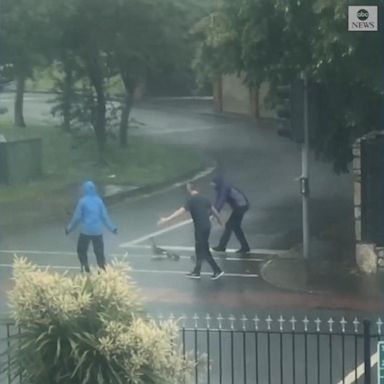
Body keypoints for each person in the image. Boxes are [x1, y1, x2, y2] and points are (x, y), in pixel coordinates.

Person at [158, 182, 224, 280]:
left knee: (204, 250)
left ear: (189, 188)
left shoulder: (191, 200)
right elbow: (214, 210)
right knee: (199, 249)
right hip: (206, 227)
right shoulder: (204, 199)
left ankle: (217, 270)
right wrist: (219, 220)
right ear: (198, 188)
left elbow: (180, 212)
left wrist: (166, 220)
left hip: (200, 228)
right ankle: (197, 271)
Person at [65, 181, 117, 272]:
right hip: (97, 231)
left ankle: (85, 264)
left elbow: (77, 217)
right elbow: (104, 217)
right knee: (99, 251)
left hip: (86, 230)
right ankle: (101, 267)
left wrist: (69, 228)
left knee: (81, 249)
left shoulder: (82, 201)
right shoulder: (99, 201)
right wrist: (112, 228)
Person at [211, 175, 250, 254]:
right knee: (235, 227)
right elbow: (217, 202)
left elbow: (220, 201)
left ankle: (222, 246)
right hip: (241, 206)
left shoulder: (224, 189)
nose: (212, 185)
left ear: (217, 183)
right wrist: (213, 212)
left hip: (241, 206)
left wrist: (213, 213)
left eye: (213, 183)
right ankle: (245, 246)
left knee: (230, 225)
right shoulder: (222, 187)